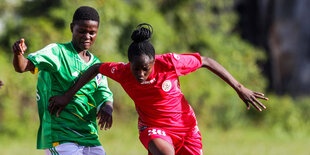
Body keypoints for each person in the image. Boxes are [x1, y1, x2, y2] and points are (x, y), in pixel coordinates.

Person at [48, 23, 268, 155]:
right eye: (136, 69)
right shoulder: (122, 72)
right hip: (153, 128)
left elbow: (206, 61)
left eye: (146, 69)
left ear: (154, 61)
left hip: (187, 129)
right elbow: (96, 68)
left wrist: (239, 87)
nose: (141, 74)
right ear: (129, 64)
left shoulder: (170, 63)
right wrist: (68, 96)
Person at [12, 6, 113, 155]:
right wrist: (18, 54)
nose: (87, 36)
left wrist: (107, 108)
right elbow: (23, 66)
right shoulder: (57, 52)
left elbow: (105, 94)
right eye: (82, 31)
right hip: (60, 136)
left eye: (92, 32)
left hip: (90, 137)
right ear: (72, 28)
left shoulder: (97, 65)